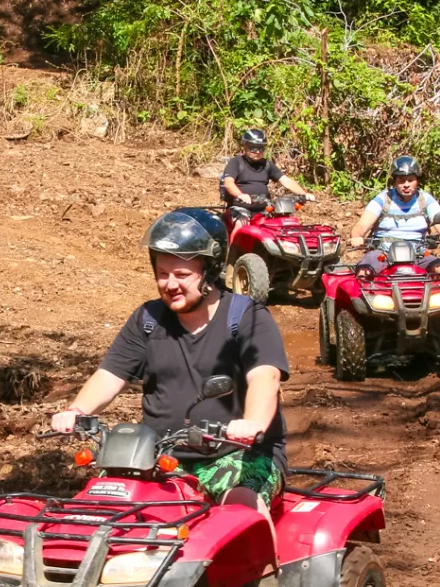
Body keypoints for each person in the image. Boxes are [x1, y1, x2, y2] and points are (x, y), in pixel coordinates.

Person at [50, 208, 290, 512]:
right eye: (162, 274)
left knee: (241, 510)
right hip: (162, 455)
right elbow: (111, 375)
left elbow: (265, 376)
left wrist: (252, 423)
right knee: (103, 505)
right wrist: (76, 410)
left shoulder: (246, 317)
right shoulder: (148, 320)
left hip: (240, 455)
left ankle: (265, 562)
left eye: (182, 275)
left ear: (210, 271)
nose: (170, 284)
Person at [350, 155, 440, 274]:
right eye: (401, 180)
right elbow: (361, 225)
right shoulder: (383, 199)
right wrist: (357, 236)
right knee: (364, 272)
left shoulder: (425, 199)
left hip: (418, 252)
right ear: (394, 181)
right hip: (383, 252)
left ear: (417, 181)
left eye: (410, 180)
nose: (406, 185)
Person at [220, 128, 311, 217]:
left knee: (280, 224)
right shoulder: (236, 162)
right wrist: (240, 195)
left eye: (261, 148)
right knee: (241, 223)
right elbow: (228, 183)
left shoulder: (267, 164)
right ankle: (230, 233)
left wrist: (304, 194)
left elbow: (286, 181)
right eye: (253, 148)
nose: (258, 151)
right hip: (239, 208)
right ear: (244, 146)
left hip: (265, 209)